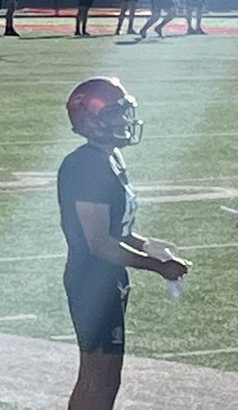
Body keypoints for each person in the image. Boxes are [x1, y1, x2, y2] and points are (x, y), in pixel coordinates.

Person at [58, 77, 190, 410]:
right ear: (92, 118)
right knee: (98, 378)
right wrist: (159, 268)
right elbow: (100, 243)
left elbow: (116, 229)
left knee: (103, 377)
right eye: (116, 114)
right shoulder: (86, 165)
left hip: (107, 278)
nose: (124, 121)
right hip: (92, 280)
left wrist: (147, 245)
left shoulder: (110, 157)